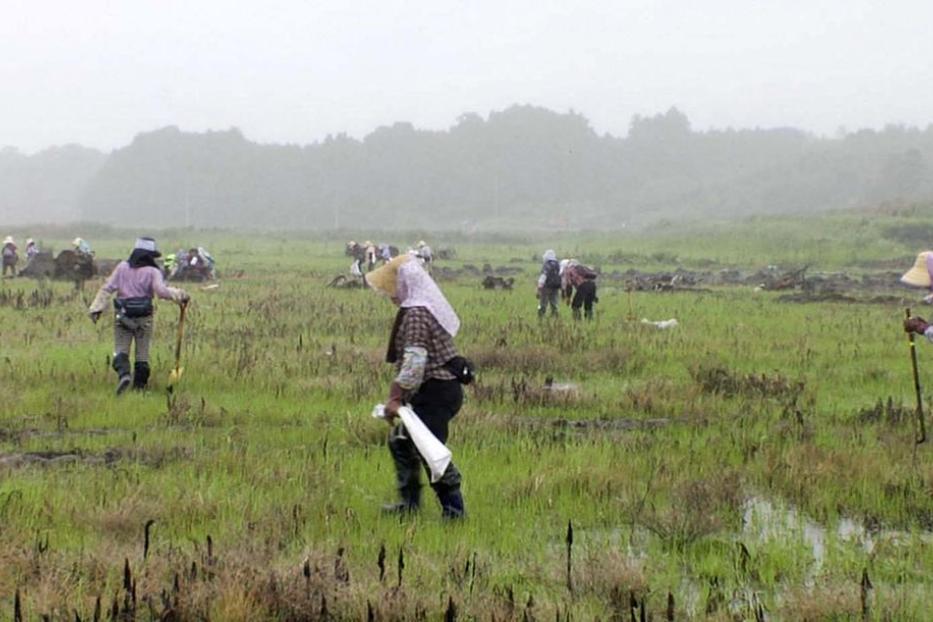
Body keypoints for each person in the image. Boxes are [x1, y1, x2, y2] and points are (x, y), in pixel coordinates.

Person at [365, 254, 467, 519]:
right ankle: (409, 505)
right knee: (401, 442)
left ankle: (455, 511)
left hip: (436, 391)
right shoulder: (419, 309)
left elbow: (414, 363)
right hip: (433, 390)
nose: (388, 293)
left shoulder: (417, 314)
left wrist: (395, 398)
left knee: (430, 451)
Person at [87, 237, 189, 395]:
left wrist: (96, 309)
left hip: (123, 315)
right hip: (144, 317)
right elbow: (161, 292)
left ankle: (124, 374)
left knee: (121, 350)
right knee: (142, 354)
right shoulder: (153, 271)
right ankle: (139, 388)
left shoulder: (122, 267)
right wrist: (180, 295)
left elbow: (108, 288)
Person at [537, 250, 562, 318]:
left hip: (546, 287)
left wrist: (539, 287)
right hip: (556, 287)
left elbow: (544, 276)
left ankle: (541, 317)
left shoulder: (547, 264)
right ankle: (555, 317)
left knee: (543, 303)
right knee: (554, 303)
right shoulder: (557, 264)